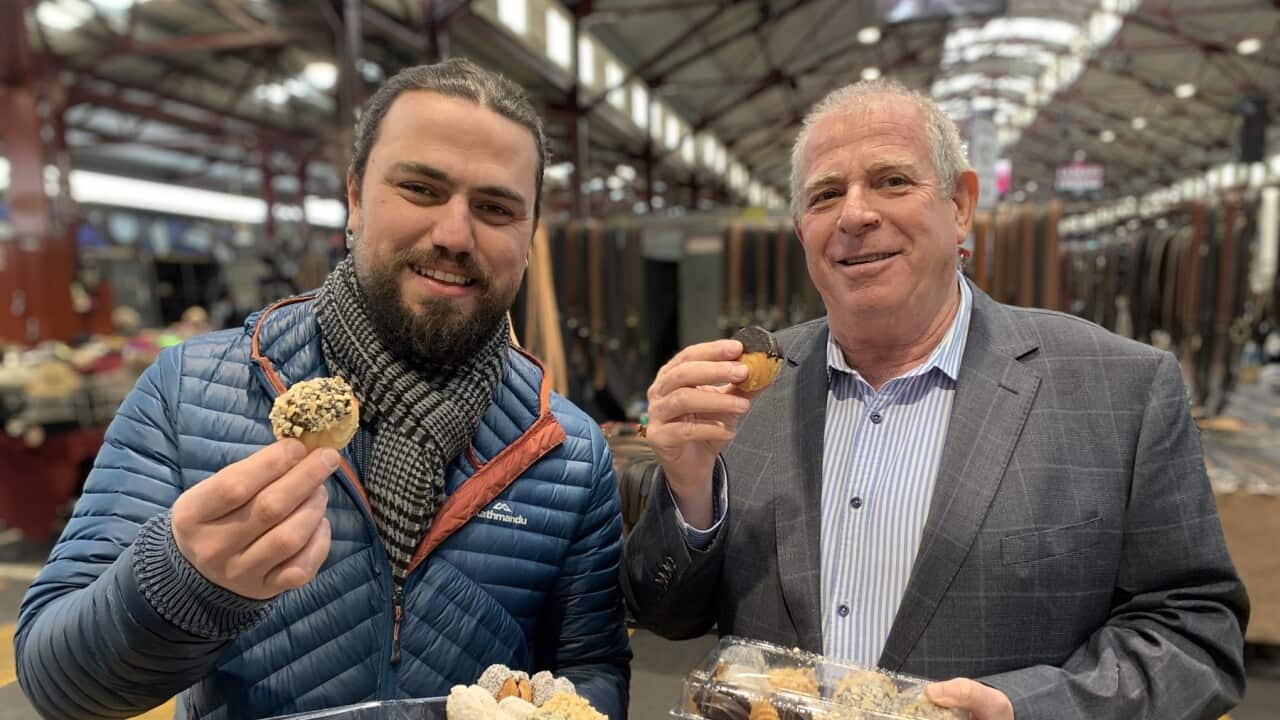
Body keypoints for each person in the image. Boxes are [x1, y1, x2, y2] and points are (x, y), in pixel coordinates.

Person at [17, 59, 630, 720]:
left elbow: (590, 667)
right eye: (421, 189)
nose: (454, 235)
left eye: (495, 207)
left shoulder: (569, 453)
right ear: (356, 199)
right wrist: (182, 585)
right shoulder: (189, 394)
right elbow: (58, 685)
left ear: (530, 235)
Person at [623, 79, 1247, 720]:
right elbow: (665, 616)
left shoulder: (1120, 392)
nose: (856, 215)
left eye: (892, 181)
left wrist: (1024, 709)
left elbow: (1195, 634)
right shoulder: (741, 395)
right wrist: (690, 492)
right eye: (826, 194)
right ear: (801, 230)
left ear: (960, 205)